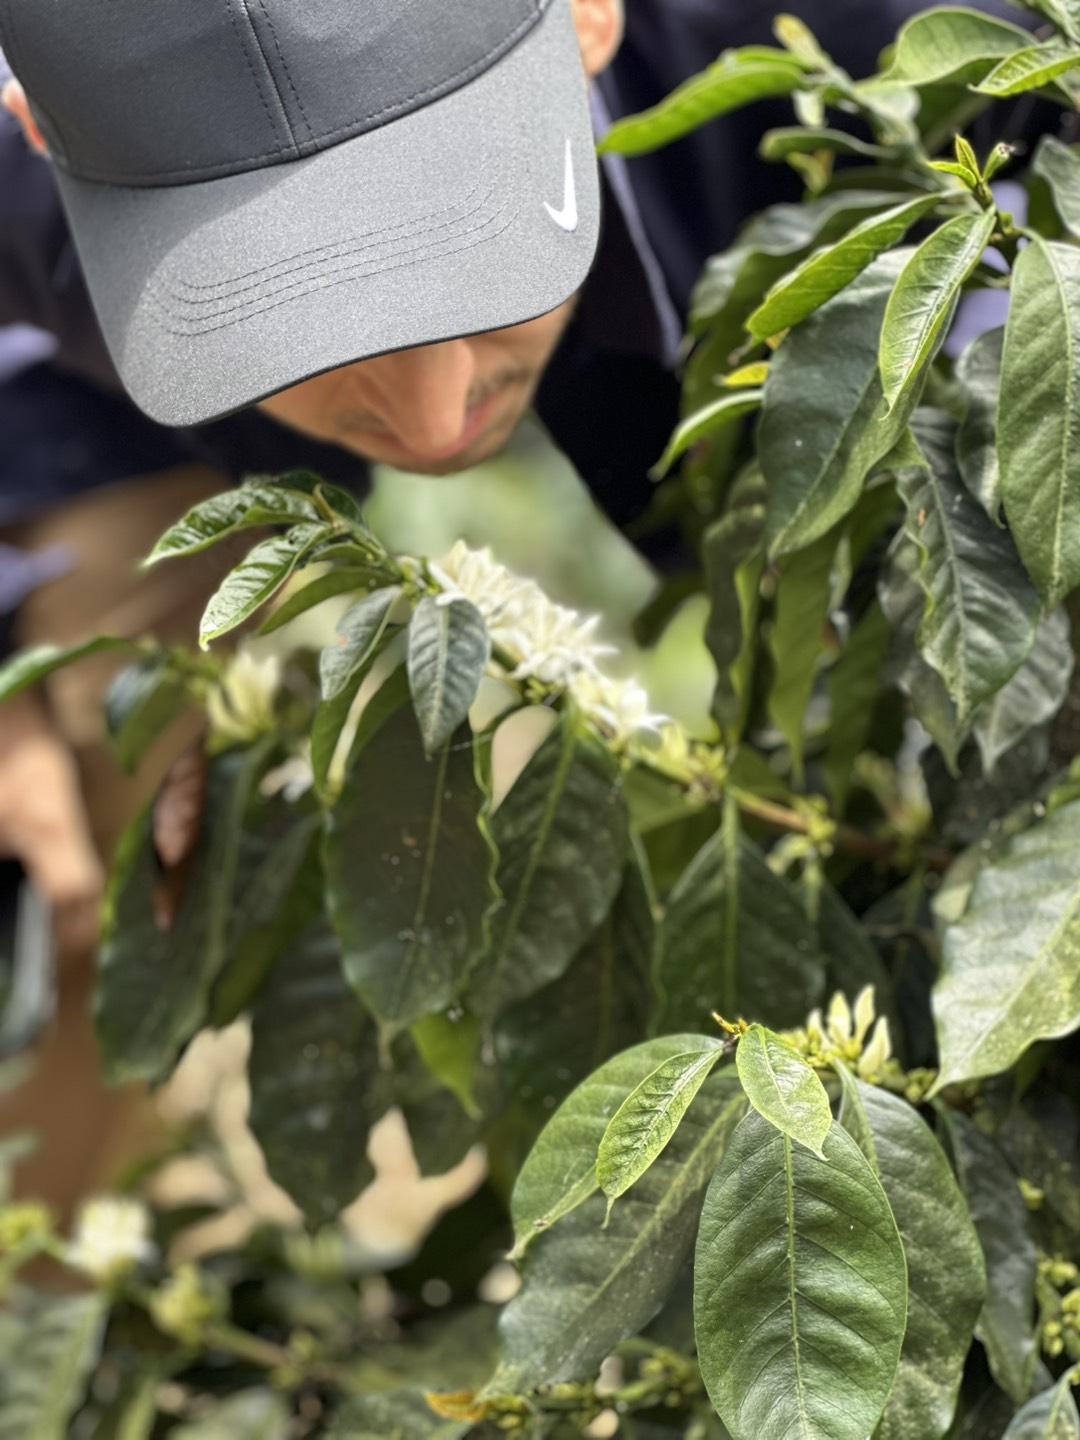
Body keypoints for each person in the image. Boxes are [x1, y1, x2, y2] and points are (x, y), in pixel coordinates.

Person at [0, 0, 1042, 1206]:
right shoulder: (53, 158)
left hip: (838, 185)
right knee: (69, 811)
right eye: (304, 327)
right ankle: (51, 1280)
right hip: (100, 409)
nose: (437, 419)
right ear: (37, 131)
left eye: (475, 259)